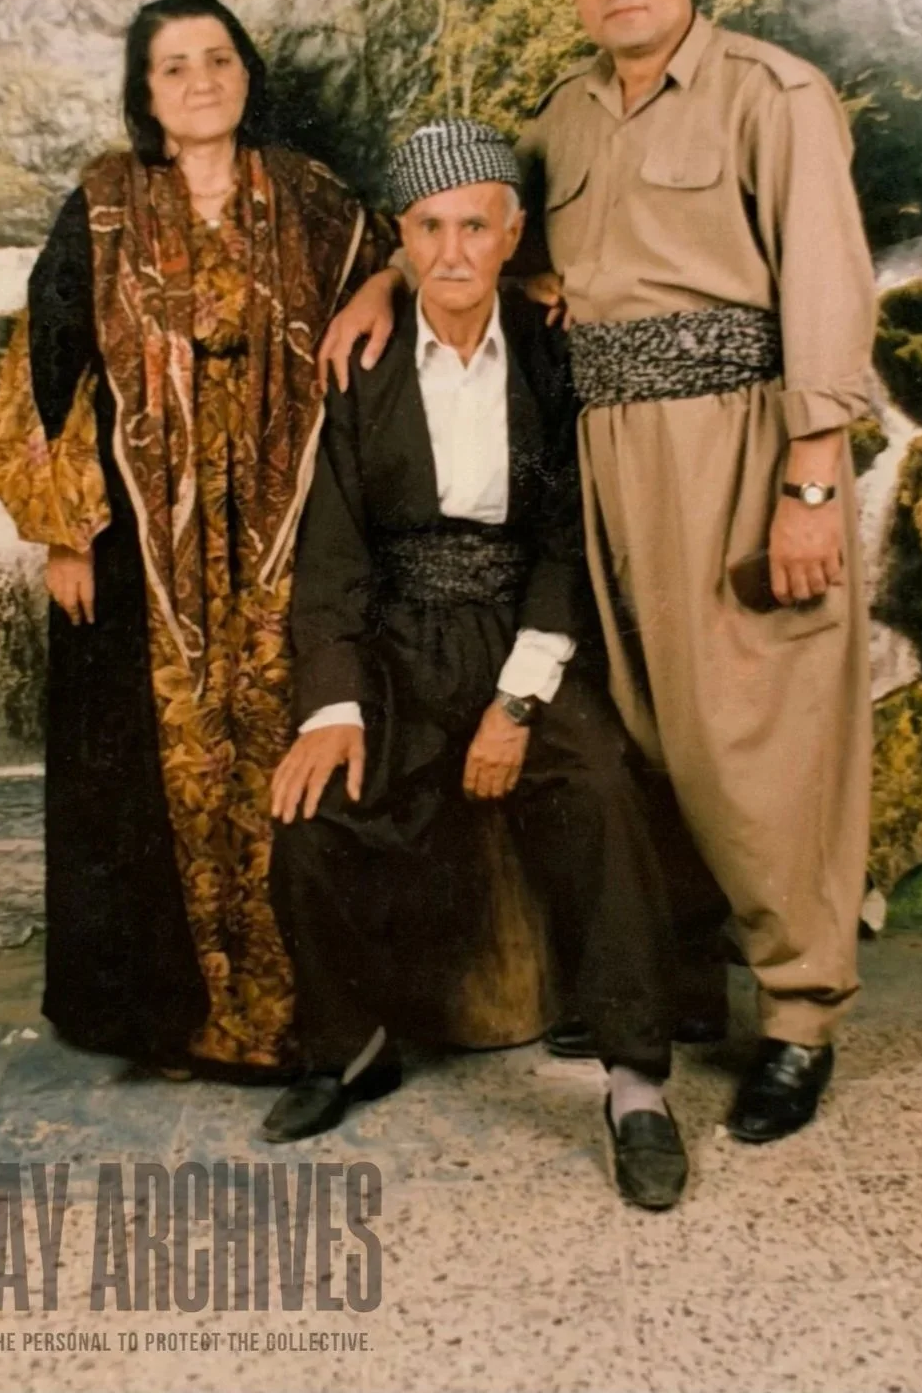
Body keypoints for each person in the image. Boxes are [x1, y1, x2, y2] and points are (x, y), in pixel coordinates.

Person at [319, 0, 876, 1145]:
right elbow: (474, 234)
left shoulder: (771, 94)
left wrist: (807, 483)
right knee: (639, 727)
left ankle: (799, 1017)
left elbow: (826, 289)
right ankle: (678, 988)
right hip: (602, 454)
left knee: (757, 733)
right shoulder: (565, 118)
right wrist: (382, 286)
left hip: (735, 443)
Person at [263, 119, 688, 1210]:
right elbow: (333, 554)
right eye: (428, 229)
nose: (451, 252)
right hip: (402, 636)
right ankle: (348, 1048)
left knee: (603, 789)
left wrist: (515, 703)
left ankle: (636, 1086)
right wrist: (333, 707)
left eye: (473, 227)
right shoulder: (362, 363)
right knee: (313, 813)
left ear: (512, 234)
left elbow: (565, 541)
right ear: (400, 240)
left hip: (524, 629)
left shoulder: (550, 353)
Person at [0, 0, 394, 1074]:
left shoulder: (312, 198)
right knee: (148, 770)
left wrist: (391, 285)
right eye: (174, 66)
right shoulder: (104, 201)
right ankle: (171, 1018)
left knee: (289, 741)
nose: (201, 80)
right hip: (138, 543)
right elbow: (46, 363)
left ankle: (309, 1013)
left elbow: (411, 263)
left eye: (218, 58)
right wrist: (63, 530)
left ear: (247, 73)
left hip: (289, 524)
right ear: (145, 92)